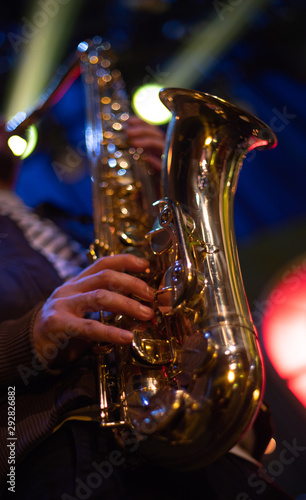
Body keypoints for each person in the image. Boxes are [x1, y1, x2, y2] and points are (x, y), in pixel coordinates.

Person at [0, 115, 294, 500]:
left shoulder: (59, 219)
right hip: (60, 460)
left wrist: (168, 204)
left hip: (201, 449)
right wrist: (28, 338)